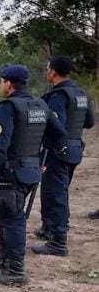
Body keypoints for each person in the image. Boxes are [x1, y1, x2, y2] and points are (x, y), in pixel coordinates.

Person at [0, 65, 67, 285]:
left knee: (13, 219)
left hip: (11, 172)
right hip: (30, 171)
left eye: (2, 81)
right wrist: (43, 161)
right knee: (7, 213)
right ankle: (4, 258)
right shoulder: (41, 105)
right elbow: (59, 135)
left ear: (9, 84)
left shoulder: (8, 107)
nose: (1, 85)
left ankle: (15, 270)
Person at [32, 56, 95, 256]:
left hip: (58, 151)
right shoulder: (80, 93)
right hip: (75, 148)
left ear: (54, 72)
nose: (46, 71)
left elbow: (55, 126)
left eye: (47, 68)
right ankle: (49, 228)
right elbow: (89, 122)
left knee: (55, 194)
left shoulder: (59, 96)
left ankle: (58, 242)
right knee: (56, 191)